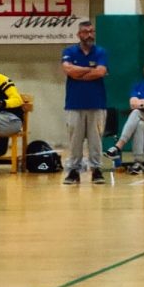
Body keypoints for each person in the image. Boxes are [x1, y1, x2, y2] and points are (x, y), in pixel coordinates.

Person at [61, 20, 109, 185]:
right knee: (75, 139)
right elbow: (68, 70)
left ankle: (96, 170)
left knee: (96, 140)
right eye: (85, 32)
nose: (89, 35)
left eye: (91, 31)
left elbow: (101, 71)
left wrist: (78, 72)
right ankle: (74, 171)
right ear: (79, 34)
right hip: (74, 103)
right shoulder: (69, 51)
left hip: (97, 103)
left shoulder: (100, 51)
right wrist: (90, 69)